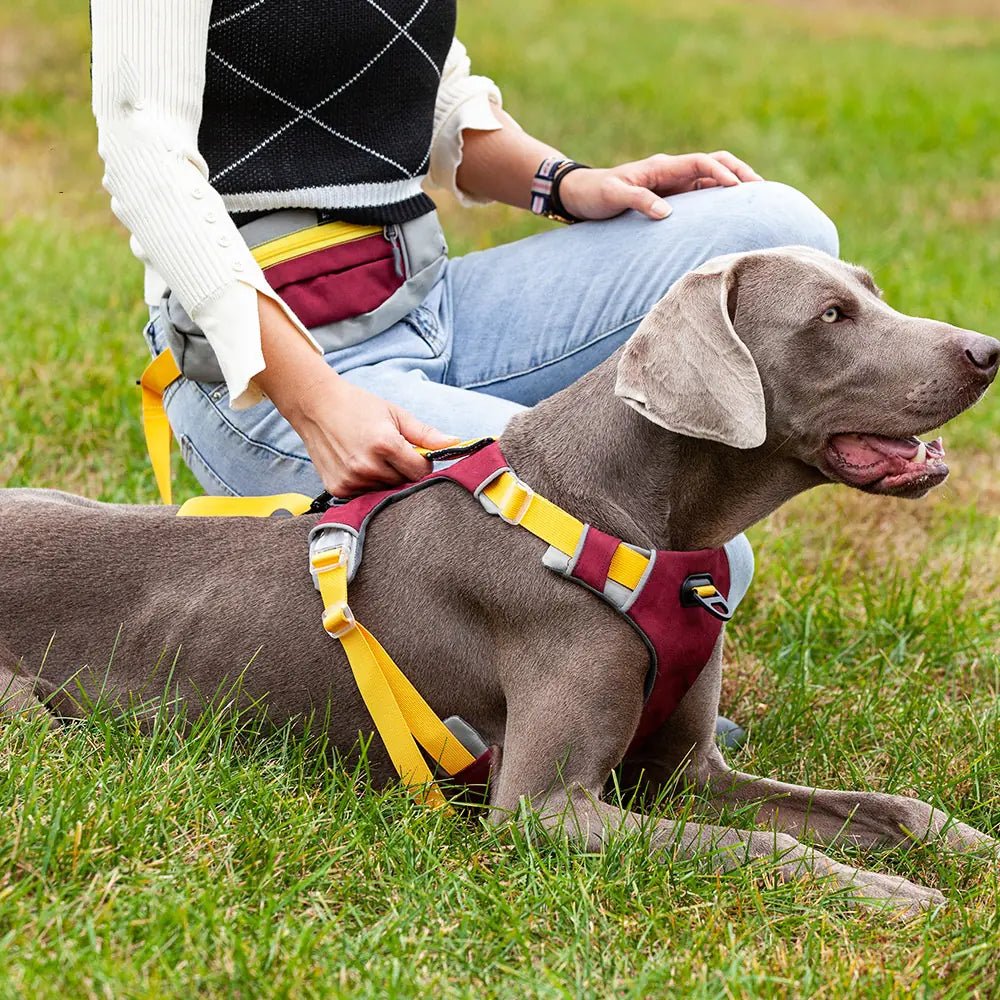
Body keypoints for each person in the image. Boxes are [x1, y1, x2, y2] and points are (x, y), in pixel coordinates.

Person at [91, 2, 839, 746]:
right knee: (694, 560)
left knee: (778, 228)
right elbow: (143, 150)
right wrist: (316, 402)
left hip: (430, 299)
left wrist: (565, 182)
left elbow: (427, 82)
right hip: (268, 375)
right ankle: (542, 690)